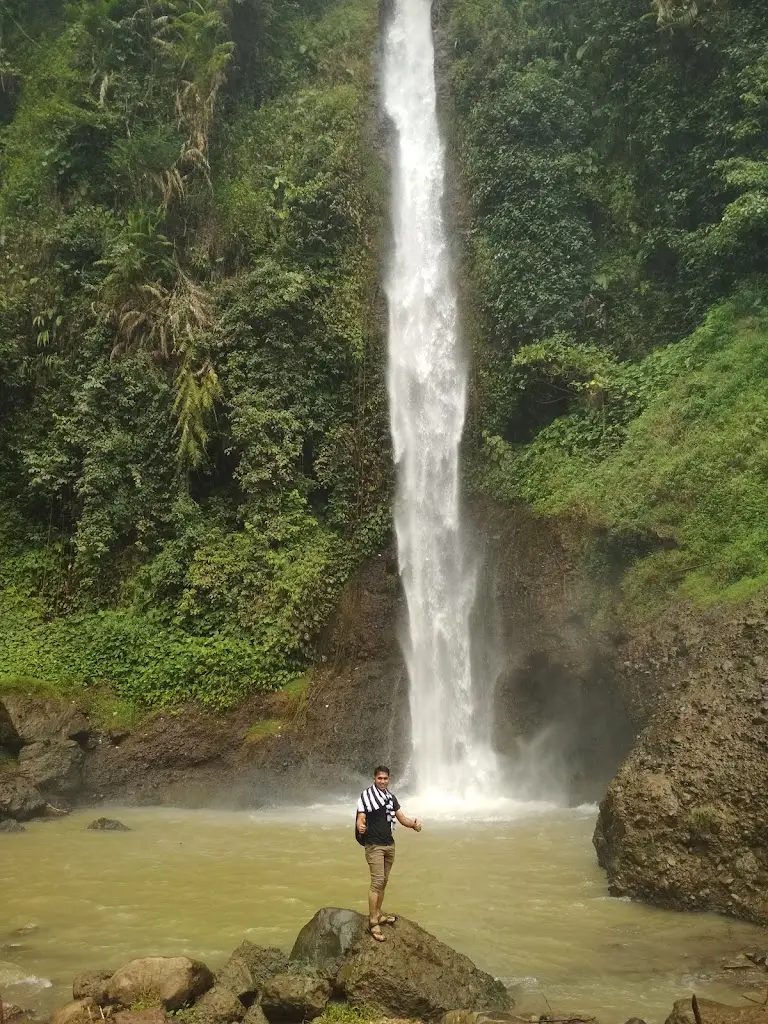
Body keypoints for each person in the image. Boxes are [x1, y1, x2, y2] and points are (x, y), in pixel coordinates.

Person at [356, 764, 422, 943]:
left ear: (389, 779)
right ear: (374, 779)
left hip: (389, 845)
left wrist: (414, 824)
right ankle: (372, 922)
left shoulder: (391, 798)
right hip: (374, 845)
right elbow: (361, 817)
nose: (382, 781)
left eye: (385, 778)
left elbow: (401, 818)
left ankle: (378, 914)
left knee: (383, 881)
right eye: (379, 778)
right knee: (377, 882)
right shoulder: (367, 796)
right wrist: (360, 825)